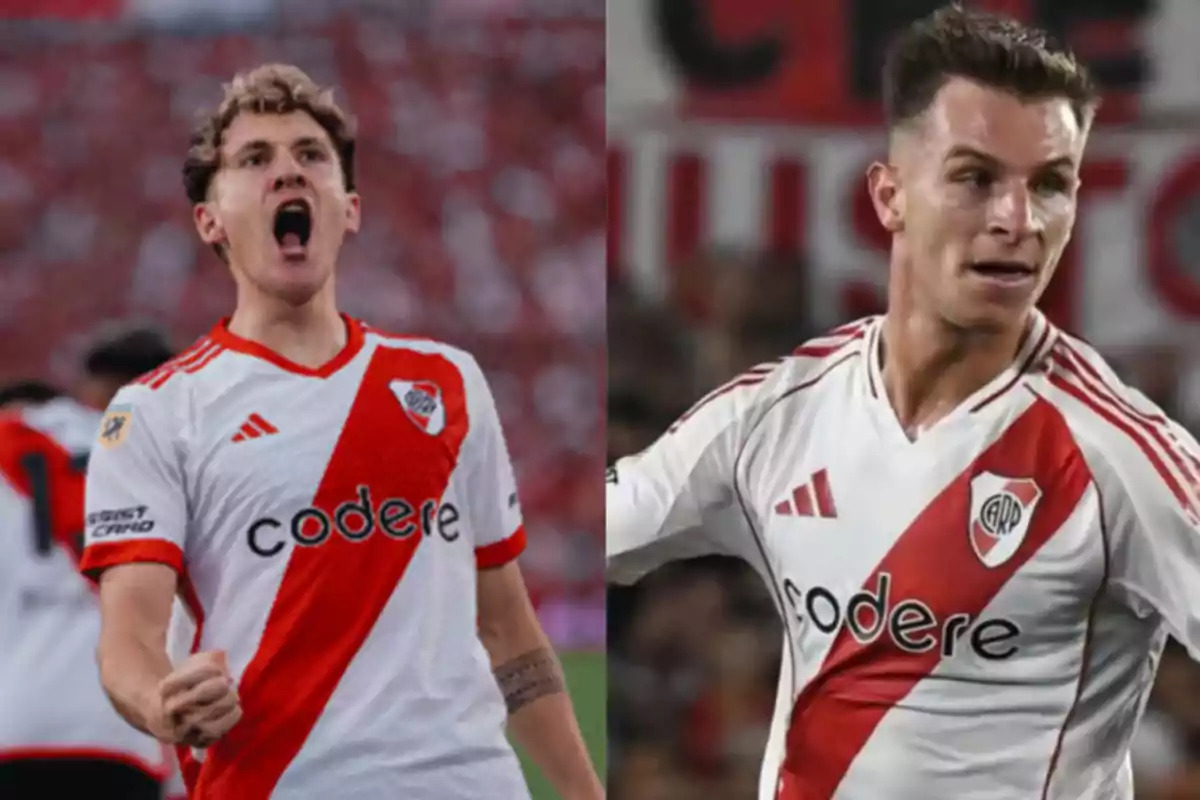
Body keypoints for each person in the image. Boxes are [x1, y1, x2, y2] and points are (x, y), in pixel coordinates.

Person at [607, 5, 1200, 799]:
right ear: (889, 198)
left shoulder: (1119, 455)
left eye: (1051, 185)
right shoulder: (776, 416)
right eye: (975, 177)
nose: (1016, 221)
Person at [79, 64, 602, 800]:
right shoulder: (156, 413)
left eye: (309, 155)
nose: (287, 172)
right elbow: (128, 638)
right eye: (255, 159)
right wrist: (161, 701)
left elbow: (510, 631)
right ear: (210, 219)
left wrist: (584, 792)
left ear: (348, 208)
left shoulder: (447, 381)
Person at [0, 325, 175, 799]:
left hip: (17, 720)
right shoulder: (173, 454)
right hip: (124, 727)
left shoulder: (15, 437)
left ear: (89, 383)